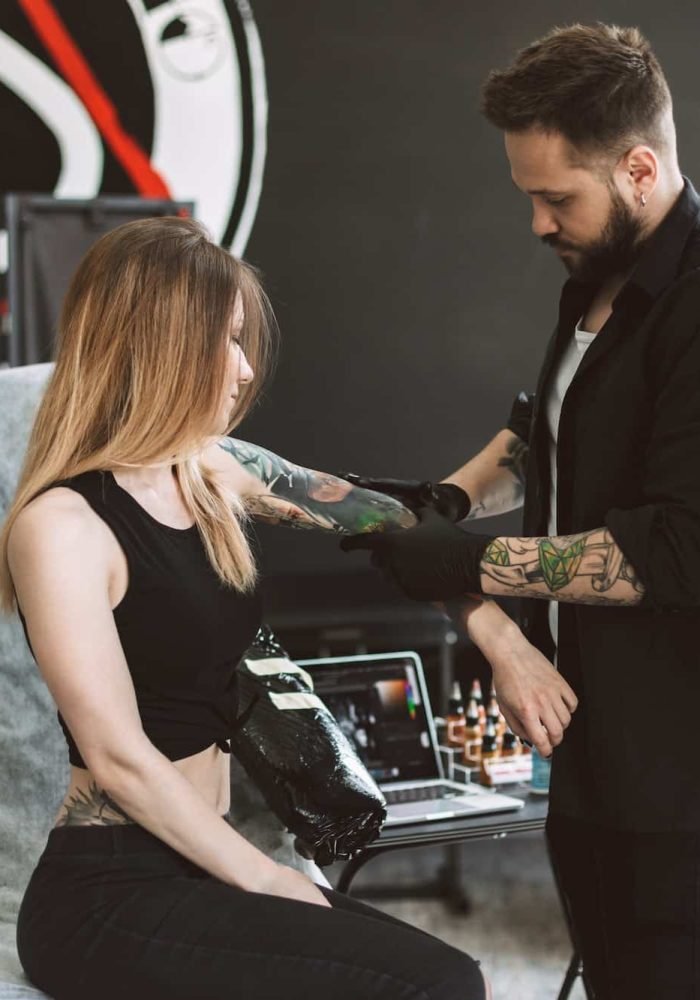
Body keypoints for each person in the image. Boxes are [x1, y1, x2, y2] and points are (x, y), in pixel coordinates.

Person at [0, 214, 537, 999]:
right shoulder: (62, 528)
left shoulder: (211, 473)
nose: (246, 370)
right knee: (437, 986)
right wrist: (265, 877)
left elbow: (391, 524)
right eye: (229, 340)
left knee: (454, 978)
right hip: (107, 891)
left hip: (201, 860)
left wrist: (501, 639)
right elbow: (119, 758)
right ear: (162, 346)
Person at [340, 23, 700, 1000]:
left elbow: (668, 551)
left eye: (556, 198)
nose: (538, 223)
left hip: (674, 772)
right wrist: (445, 501)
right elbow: (542, 433)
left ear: (637, 168)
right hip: (582, 739)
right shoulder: (592, 280)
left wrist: (465, 563)